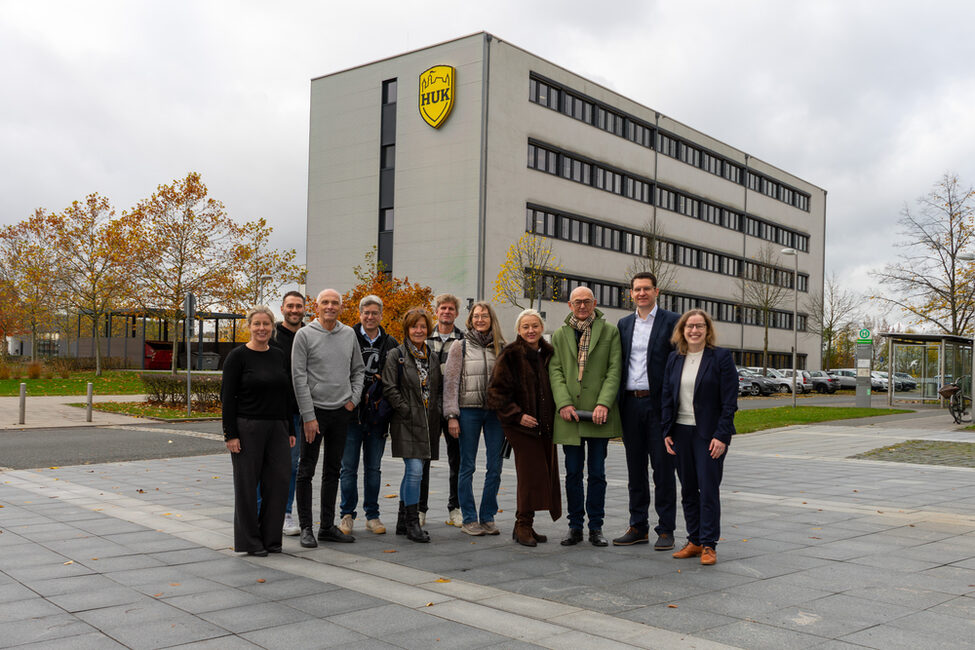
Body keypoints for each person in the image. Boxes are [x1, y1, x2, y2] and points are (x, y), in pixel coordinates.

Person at [662, 309, 738, 566]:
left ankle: (708, 544)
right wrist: (666, 432)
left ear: (707, 330)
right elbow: (666, 398)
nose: (694, 331)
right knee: (687, 490)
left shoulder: (721, 358)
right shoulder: (674, 359)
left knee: (708, 490)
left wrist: (722, 435)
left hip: (709, 435)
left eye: (699, 326)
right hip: (680, 432)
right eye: (689, 326)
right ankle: (694, 540)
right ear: (682, 330)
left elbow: (729, 402)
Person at [549, 286, 622, 547]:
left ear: (595, 303)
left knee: (598, 473)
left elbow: (614, 370)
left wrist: (604, 403)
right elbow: (555, 370)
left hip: (599, 415)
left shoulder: (610, 332)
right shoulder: (559, 334)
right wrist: (563, 404)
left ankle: (596, 527)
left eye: (587, 302)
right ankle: (575, 526)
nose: (582, 306)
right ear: (569, 305)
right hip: (570, 416)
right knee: (572, 473)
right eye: (577, 302)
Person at [292, 289, 365, 548]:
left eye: (335, 302)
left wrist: (353, 400)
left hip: (341, 413)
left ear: (341, 307)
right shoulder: (304, 335)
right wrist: (308, 416)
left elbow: (358, 370)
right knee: (306, 470)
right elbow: (299, 378)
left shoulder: (348, 335)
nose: (330, 306)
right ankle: (306, 528)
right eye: (326, 302)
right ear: (317, 305)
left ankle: (326, 526)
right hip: (315, 413)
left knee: (333, 471)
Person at [613, 273, 680, 550]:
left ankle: (665, 529)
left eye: (646, 289)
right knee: (635, 470)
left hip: (658, 406)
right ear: (631, 293)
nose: (641, 293)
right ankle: (638, 525)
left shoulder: (672, 321)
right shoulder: (624, 324)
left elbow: (677, 362)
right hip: (631, 404)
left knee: (663, 470)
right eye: (637, 289)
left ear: (656, 291)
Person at [222, 306, 296, 556]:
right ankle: (250, 541)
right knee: (247, 484)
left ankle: (271, 539)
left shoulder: (277, 355)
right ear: (249, 326)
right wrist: (230, 434)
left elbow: (286, 394)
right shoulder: (237, 356)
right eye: (257, 324)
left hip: (278, 427)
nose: (262, 328)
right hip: (247, 427)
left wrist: (291, 428)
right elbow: (228, 398)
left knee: (279, 482)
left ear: (272, 327)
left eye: (266, 324)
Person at [487, 309, 561, 547]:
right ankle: (522, 526)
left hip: (544, 426)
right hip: (520, 426)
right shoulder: (510, 354)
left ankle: (526, 522)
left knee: (541, 475)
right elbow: (495, 393)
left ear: (542, 328)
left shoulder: (548, 354)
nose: (531, 330)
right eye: (525, 327)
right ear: (518, 330)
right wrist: (517, 416)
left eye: (535, 326)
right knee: (530, 475)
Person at [443, 301, 506, 536]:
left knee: (495, 466)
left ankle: (487, 516)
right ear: (470, 319)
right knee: (466, 466)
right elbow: (450, 383)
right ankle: (469, 518)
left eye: (485, 316)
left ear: (492, 319)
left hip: (495, 413)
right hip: (468, 411)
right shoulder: (460, 346)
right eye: (476, 316)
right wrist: (452, 415)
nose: (480, 319)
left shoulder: (501, 346)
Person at [338, 295, 398, 536]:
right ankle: (346, 514)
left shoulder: (391, 342)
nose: (370, 317)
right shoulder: (346, 337)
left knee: (373, 468)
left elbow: (395, 377)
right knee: (348, 468)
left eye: (375, 313)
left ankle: (372, 515)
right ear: (359, 314)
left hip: (377, 416)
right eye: (366, 313)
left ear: (381, 315)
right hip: (351, 414)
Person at [383, 308, 442, 543]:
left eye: (423, 326)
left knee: (414, 472)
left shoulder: (433, 356)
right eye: (414, 326)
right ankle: (412, 523)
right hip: (406, 422)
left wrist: (436, 411)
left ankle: (402, 520)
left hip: (428, 423)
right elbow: (389, 387)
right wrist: (406, 410)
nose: (419, 330)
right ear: (407, 329)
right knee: (416, 471)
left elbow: (436, 389)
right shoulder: (396, 355)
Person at [424, 293, 465, 528]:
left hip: (453, 408)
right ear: (436, 311)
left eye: (451, 309)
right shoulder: (424, 337)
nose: (446, 312)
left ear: (456, 313)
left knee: (456, 461)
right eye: (443, 308)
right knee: (424, 460)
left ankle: (455, 507)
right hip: (428, 408)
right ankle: (421, 509)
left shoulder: (463, 339)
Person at [267, 290, 306, 537]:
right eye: (290, 306)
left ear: (304, 309)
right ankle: (276, 512)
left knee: (296, 466)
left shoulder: (310, 335)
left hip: (305, 412)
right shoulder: (272, 337)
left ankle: (287, 512)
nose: (294, 310)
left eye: (298, 306)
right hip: (278, 413)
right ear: (282, 309)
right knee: (275, 465)